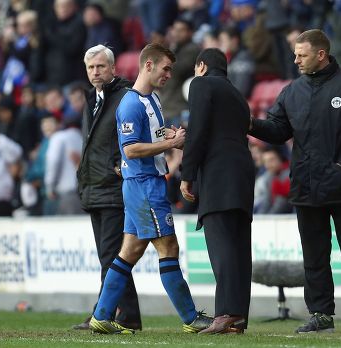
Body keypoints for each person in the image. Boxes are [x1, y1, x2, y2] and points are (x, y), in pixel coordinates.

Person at [249, 29, 341, 334]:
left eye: (301, 55)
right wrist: (249, 123)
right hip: (305, 185)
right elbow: (278, 130)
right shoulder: (292, 90)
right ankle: (321, 315)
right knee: (314, 255)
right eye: (294, 54)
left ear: (320, 54)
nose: (296, 60)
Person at [89, 43, 212, 335]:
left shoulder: (152, 100)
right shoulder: (131, 104)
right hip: (144, 186)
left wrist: (168, 134)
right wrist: (170, 144)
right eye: (165, 68)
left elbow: (150, 134)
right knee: (168, 247)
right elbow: (130, 150)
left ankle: (101, 316)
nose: (169, 74)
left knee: (129, 251)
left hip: (144, 185)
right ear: (148, 65)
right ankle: (191, 319)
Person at [180, 48, 255, 334]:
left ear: (201, 66)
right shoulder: (238, 95)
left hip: (218, 174)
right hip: (242, 172)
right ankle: (237, 317)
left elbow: (197, 130)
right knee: (238, 247)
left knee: (222, 245)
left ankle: (225, 313)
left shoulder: (201, 84)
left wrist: (187, 175)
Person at [73, 44, 142, 330]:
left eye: (101, 66)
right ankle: (126, 315)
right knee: (114, 257)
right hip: (95, 188)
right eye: (91, 67)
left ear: (113, 68)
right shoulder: (94, 99)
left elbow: (129, 137)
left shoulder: (125, 98)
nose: (96, 71)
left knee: (111, 257)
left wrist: (119, 165)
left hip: (113, 187)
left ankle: (105, 314)